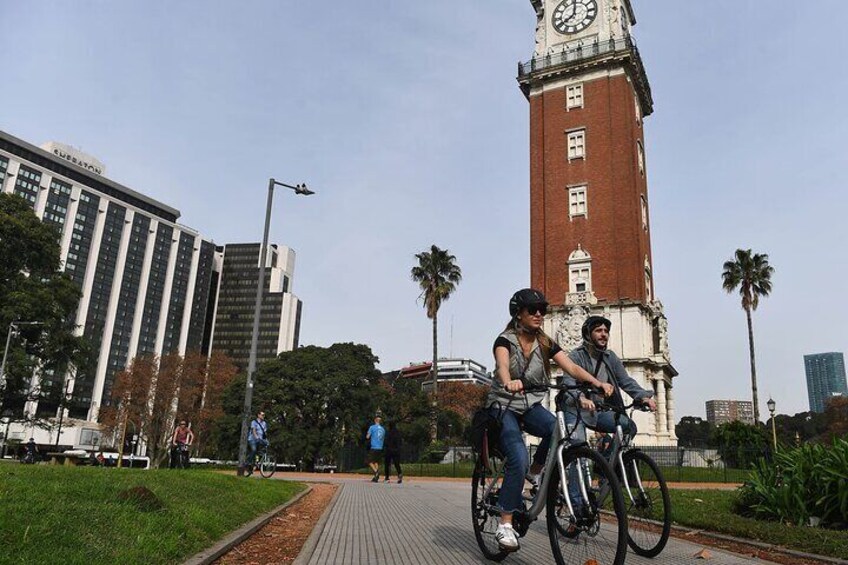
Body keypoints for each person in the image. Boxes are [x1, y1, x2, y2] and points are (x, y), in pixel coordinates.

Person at [488, 288, 614, 552]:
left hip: (530, 404)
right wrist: (508, 381)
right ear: (518, 314)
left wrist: (595, 382)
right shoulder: (504, 340)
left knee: (558, 428)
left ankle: (534, 474)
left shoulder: (545, 341)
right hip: (505, 405)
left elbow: (571, 367)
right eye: (532, 309)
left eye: (542, 310)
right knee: (517, 457)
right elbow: (501, 367)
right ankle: (505, 523)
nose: (538, 314)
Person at [563, 316, 657, 512]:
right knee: (578, 454)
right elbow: (568, 383)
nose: (604, 334)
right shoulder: (575, 356)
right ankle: (577, 506)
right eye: (598, 330)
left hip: (597, 411)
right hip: (575, 409)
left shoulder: (610, 357)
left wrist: (643, 396)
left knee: (628, 426)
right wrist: (581, 397)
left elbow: (626, 381)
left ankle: (604, 464)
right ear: (588, 334)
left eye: (606, 331)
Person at [246, 410, 268, 476]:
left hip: (260, 440)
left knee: (264, 447)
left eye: (264, 415)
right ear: (258, 415)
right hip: (252, 439)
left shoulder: (264, 423)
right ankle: (248, 462)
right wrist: (256, 437)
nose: (263, 416)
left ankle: (257, 461)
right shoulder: (254, 422)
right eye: (262, 415)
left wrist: (266, 440)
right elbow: (253, 431)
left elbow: (264, 433)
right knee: (254, 450)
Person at [365, 415, 385, 483]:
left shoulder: (372, 427)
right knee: (376, 462)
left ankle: (376, 472)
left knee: (369, 461)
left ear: (375, 420)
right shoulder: (383, 429)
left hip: (374, 446)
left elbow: (367, 436)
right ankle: (375, 477)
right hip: (380, 447)